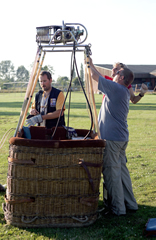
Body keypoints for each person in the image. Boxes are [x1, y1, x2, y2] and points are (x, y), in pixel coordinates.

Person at [90, 58, 138, 216]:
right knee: (122, 172)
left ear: (122, 77)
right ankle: (130, 204)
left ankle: (118, 209)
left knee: (112, 174)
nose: (114, 74)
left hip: (112, 139)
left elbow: (95, 76)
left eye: (117, 73)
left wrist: (88, 61)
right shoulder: (122, 90)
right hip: (120, 138)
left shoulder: (116, 89)